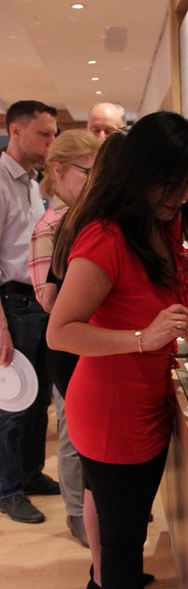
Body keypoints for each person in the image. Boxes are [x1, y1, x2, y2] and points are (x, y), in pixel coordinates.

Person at [47, 111, 188, 589]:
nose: (179, 196)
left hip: (146, 406)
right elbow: (60, 331)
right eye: (169, 184)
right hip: (110, 413)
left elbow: (153, 298)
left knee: (130, 532)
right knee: (122, 549)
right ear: (139, 174)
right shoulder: (105, 237)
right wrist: (142, 338)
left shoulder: (161, 223)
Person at [49, 131, 157, 589]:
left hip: (98, 358)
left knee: (104, 492)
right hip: (86, 359)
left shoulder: (94, 223)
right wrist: (138, 334)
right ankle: (106, 578)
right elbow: (55, 312)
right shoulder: (89, 229)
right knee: (97, 480)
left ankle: (106, 577)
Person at [28, 128, 101, 545]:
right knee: (74, 431)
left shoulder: (85, 218)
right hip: (70, 346)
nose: (94, 180)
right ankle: (77, 515)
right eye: (86, 171)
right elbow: (49, 301)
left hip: (91, 342)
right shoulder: (52, 225)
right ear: (58, 170)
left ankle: (96, 510)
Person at [0, 100, 60, 525]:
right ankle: (7, 489)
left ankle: (30, 473)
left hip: (39, 300)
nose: (51, 142)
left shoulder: (35, 182)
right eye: (44, 134)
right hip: (13, 302)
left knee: (39, 399)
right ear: (16, 131)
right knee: (12, 401)